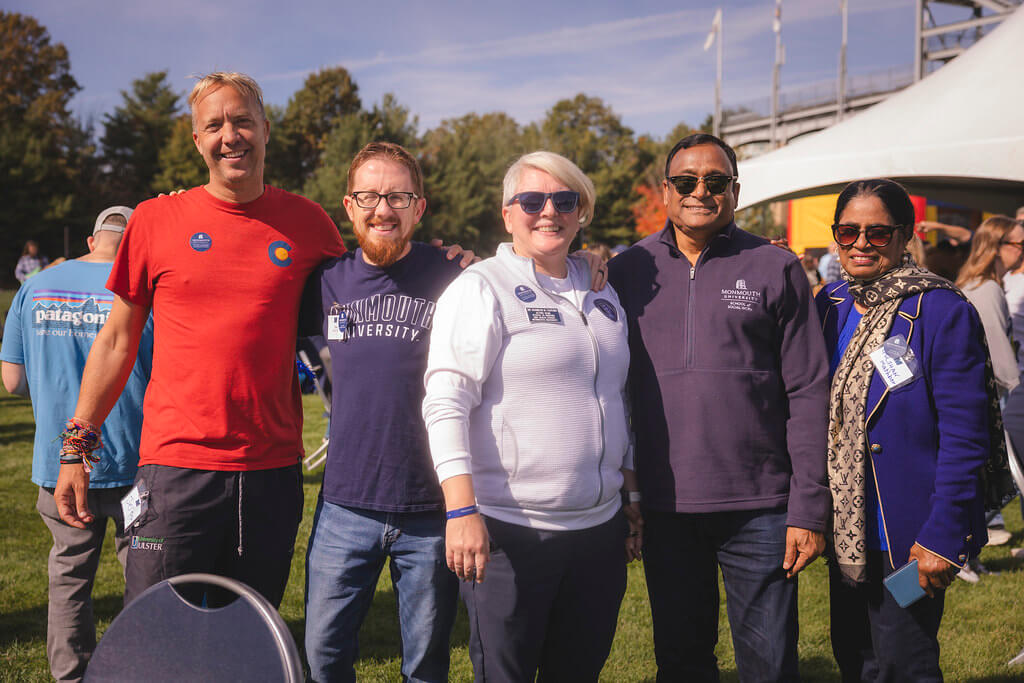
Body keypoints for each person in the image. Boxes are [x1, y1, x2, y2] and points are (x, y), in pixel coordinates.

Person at [53, 72, 346, 609]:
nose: (229, 135)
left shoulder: (308, 223)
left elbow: (367, 290)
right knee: (158, 632)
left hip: (272, 475)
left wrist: (441, 262)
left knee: (248, 637)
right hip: (173, 472)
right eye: (214, 125)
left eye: (242, 121)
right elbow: (117, 341)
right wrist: (76, 449)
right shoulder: (155, 219)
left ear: (265, 129)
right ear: (197, 141)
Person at [607, 133, 829, 682]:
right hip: (665, 506)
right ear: (665, 191)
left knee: (771, 664)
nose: (700, 191)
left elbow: (808, 390)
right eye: (686, 181)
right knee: (681, 662)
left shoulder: (774, 266)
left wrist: (807, 506)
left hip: (762, 505)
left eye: (716, 181)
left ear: (735, 190)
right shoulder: (626, 271)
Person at [423, 151, 640, 682]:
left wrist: (631, 498)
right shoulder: (481, 287)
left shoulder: (604, 292)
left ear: (581, 212)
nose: (549, 212)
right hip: (510, 532)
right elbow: (446, 400)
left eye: (565, 200)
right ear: (507, 213)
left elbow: (617, 399)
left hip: (598, 531)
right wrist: (460, 511)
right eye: (532, 200)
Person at [300, 142, 467, 682]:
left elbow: (534, 270)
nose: (383, 209)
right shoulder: (323, 282)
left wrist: (589, 260)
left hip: (432, 508)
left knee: (425, 664)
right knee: (323, 656)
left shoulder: (459, 275)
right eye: (370, 196)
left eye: (398, 195)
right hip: (344, 505)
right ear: (348, 206)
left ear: (420, 207)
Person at [817, 178, 993, 681]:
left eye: (877, 233)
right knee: (856, 657)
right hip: (847, 531)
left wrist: (942, 535)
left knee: (903, 659)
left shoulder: (939, 309)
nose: (860, 245)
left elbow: (965, 436)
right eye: (848, 232)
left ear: (904, 236)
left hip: (913, 535)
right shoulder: (830, 305)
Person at [1, 207, 152, 682]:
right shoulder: (146, 288)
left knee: (69, 577)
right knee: (145, 579)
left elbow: (11, 382)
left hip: (58, 462)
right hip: (135, 461)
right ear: (134, 244)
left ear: (92, 241)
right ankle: (146, 667)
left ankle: (70, 675)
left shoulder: (36, 286)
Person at [955, 215, 1024, 555]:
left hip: (973, 394)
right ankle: (962, 555)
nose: (1022, 252)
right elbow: (999, 353)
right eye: (1018, 245)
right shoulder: (989, 289)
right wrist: (1016, 387)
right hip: (989, 397)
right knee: (986, 478)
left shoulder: (975, 284)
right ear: (997, 247)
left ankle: (968, 554)